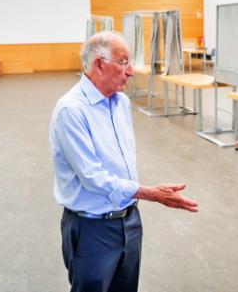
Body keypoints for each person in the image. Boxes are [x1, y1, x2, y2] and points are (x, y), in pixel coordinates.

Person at [49, 31, 198, 292]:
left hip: (129, 221)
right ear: (99, 64)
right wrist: (150, 193)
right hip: (92, 228)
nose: (131, 72)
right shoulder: (71, 110)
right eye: (124, 62)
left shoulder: (121, 103)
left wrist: (136, 201)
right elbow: (92, 177)